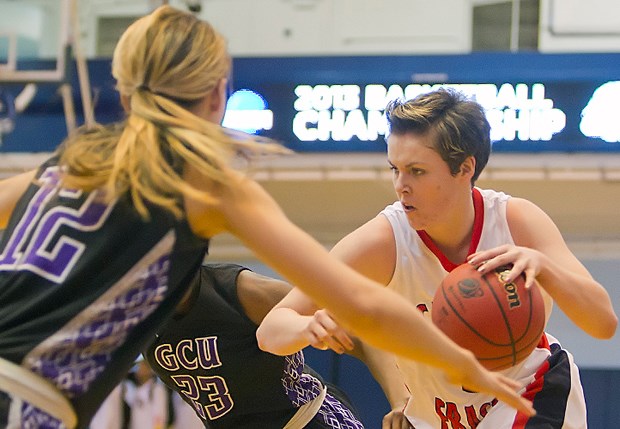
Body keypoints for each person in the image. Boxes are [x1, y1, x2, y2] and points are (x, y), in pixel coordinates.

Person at [0, 6, 534, 428]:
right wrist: (463, 365)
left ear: (123, 89)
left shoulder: (71, 162)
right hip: (28, 403)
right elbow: (362, 303)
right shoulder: (201, 183)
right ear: (217, 95)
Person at [256, 88, 618, 429]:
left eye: (417, 171)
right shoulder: (383, 241)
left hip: (531, 393)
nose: (400, 185)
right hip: (436, 417)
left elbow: (603, 324)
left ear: (464, 168)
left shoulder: (516, 221)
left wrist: (547, 268)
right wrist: (306, 328)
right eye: (394, 169)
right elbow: (271, 330)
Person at [146, 262, 367, 428]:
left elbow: (364, 333)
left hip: (304, 421)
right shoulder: (137, 317)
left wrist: (399, 397)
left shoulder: (238, 290)